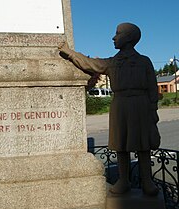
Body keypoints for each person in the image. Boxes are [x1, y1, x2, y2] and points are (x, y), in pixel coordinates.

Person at [59, 22, 160, 196]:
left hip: (141, 104)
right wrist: (70, 53)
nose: (113, 37)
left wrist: (153, 111)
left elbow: (153, 87)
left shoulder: (144, 62)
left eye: (117, 34)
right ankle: (123, 180)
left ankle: (147, 181)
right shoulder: (112, 63)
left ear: (128, 38)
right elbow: (90, 64)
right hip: (120, 104)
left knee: (143, 144)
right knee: (121, 143)